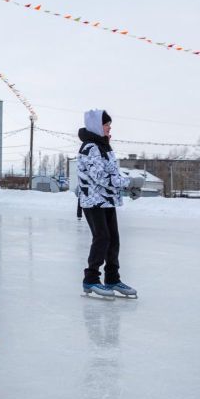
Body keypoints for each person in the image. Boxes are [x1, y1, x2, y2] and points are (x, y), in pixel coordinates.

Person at [76, 109, 136, 299]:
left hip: (107, 201)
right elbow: (100, 177)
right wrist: (129, 183)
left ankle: (112, 278)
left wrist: (127, 184)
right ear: (96, 126)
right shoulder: (91, 147)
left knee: (113, 239)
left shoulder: (104, 146)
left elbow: (113, 174)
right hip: (93, 201)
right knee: (102, 238)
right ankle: (91, 279)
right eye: (106, 124)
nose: (109, 127)